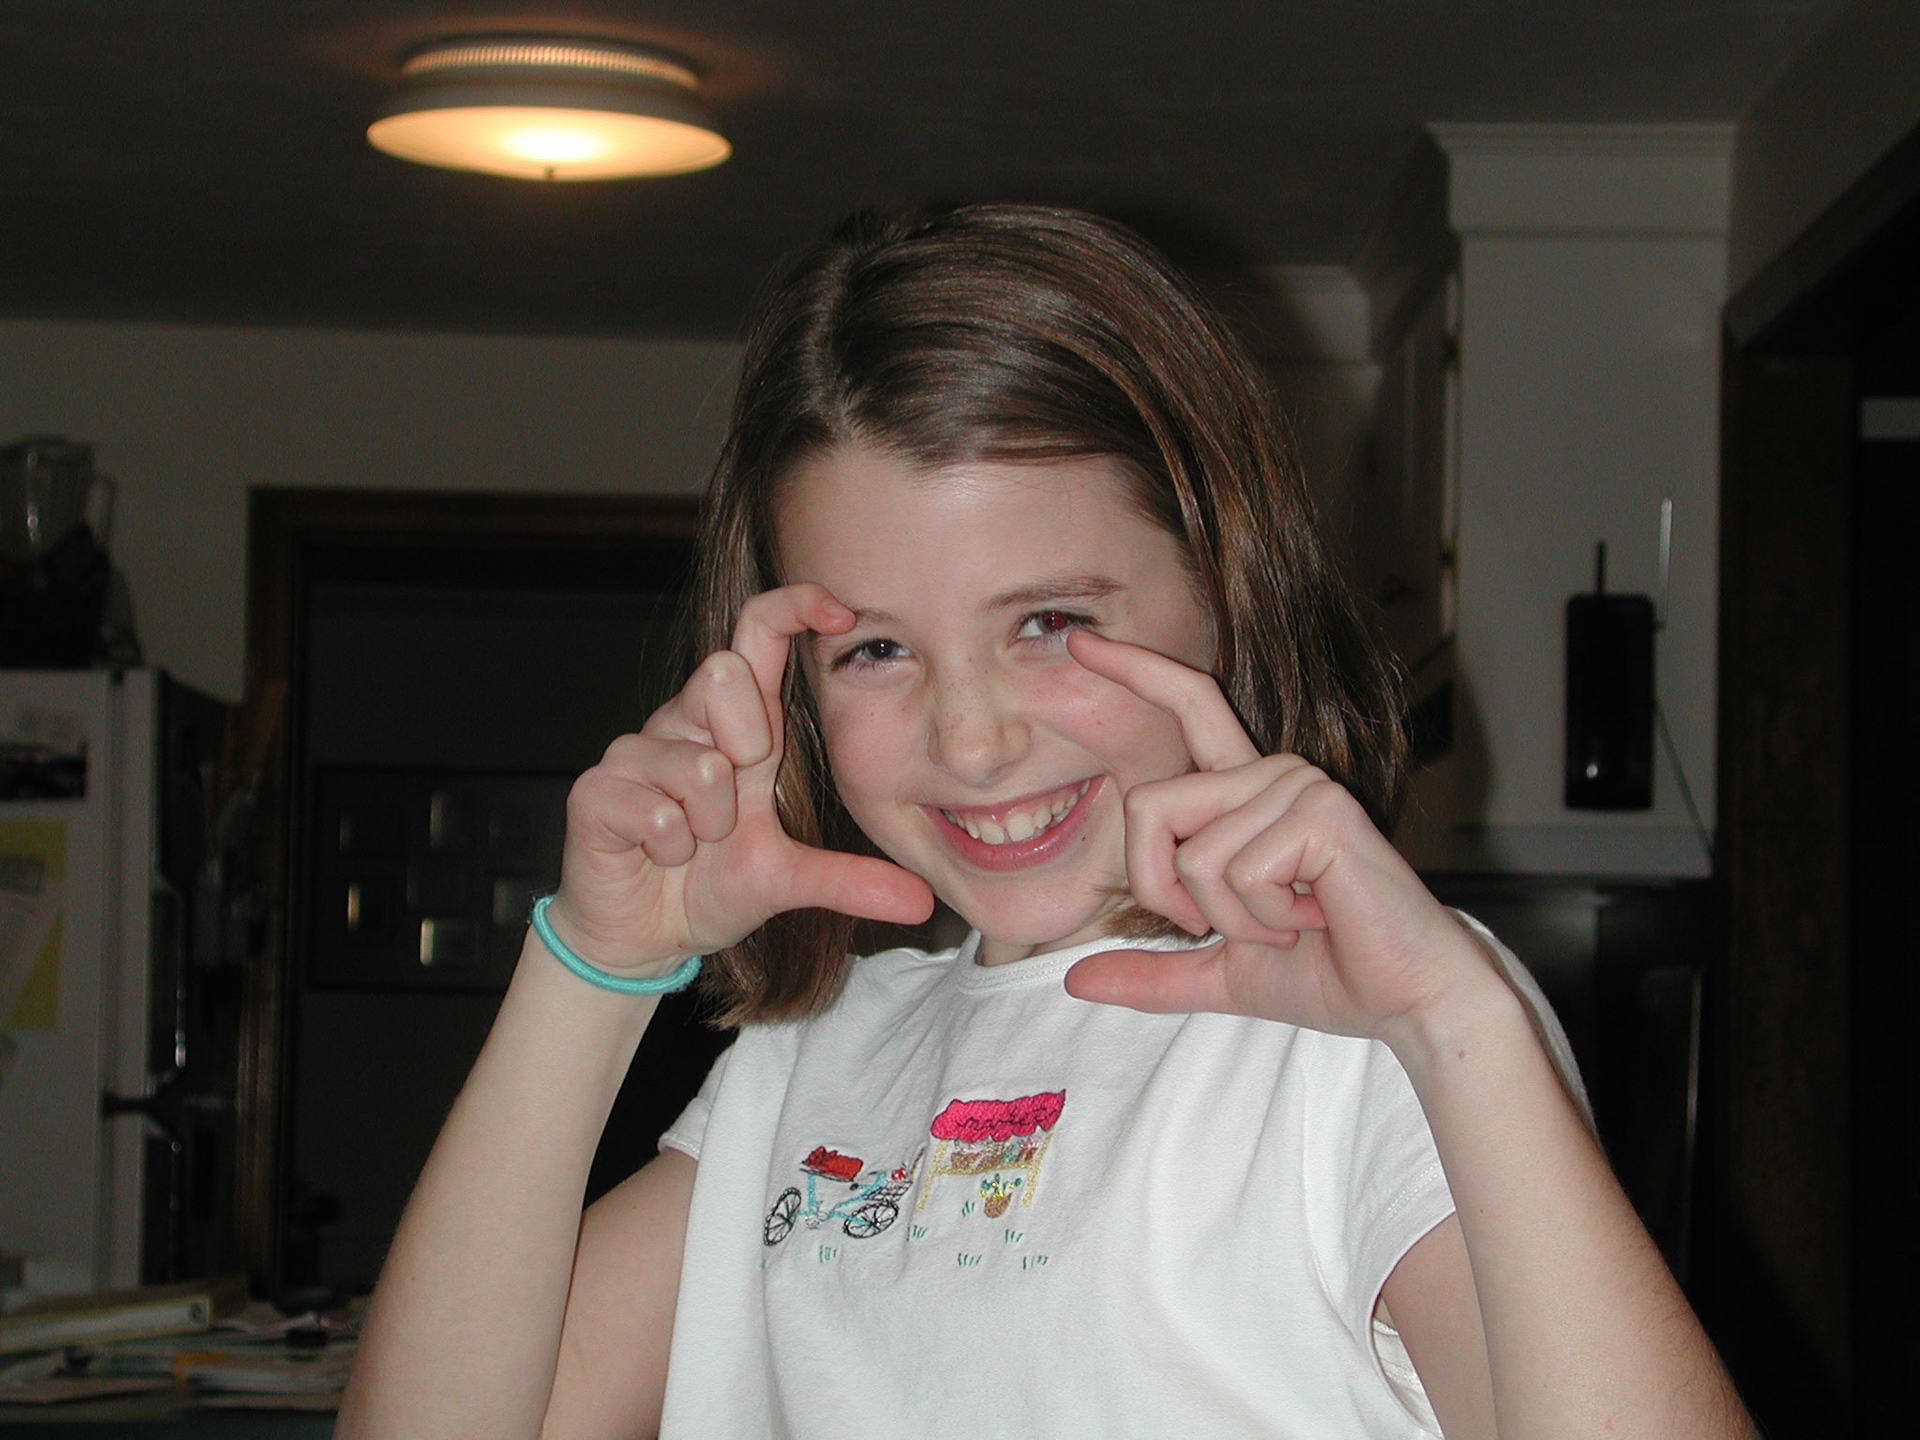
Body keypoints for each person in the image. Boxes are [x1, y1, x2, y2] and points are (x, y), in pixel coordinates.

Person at [337, 205, 1757, 1440]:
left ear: (1228, 590)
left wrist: (1456, 1025)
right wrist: (593, 965)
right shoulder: (803, 1067)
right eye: (876, 649)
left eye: (1051, 622)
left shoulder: (1374, 1038)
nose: (972, 739)